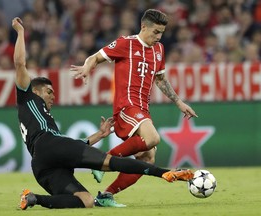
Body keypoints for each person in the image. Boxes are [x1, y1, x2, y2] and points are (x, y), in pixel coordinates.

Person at [12, 17, 194, 210]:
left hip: (41, 163)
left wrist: (99, 135)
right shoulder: (26, 96)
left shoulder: (44, 121)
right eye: (49, 92)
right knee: (113, 161)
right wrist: (21, 32)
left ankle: (32, 198)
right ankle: (165, 173)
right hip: (52, 144)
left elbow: (69, 146)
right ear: (35, 90)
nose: (52, 97)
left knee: (85, 201)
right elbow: (19, 64)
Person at [70, 9, 198, 207]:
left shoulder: (159, 50)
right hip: (126, 106)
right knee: (153, 138)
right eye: (156, 32)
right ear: (143, 27)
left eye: (162, 32)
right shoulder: (125, 44)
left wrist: (179, 102)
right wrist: (88, 67)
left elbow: (161, 79)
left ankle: (105, 196)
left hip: (143, 110)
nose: (159, 36)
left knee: (147, 159)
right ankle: (102, 162)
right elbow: (94, 57)